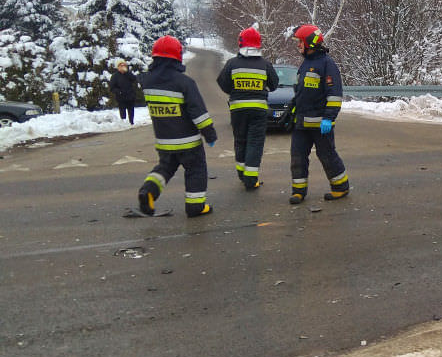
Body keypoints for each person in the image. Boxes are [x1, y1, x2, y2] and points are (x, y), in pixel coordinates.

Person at [137, 36, 217, 217]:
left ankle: (148, 190)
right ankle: (195, 206)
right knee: (196, 171)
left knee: (164, 169)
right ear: (177, 57)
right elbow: (198, 112)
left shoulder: (147, 83)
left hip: (164, 142)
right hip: (188, 142)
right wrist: (209, 134)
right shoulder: (184, 83)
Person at [287, 24, 349, 204]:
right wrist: (290, 112)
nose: (298, 45)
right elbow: (300, 92)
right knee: (297, 156)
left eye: (300, 42)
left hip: (321, 123)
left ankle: (341, 187)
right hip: (301, 123)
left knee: (327, 155)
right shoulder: (305, 63)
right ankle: (298, 191)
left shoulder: (327, 64)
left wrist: (329, 118)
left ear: (310, 42)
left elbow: (335, 95)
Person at [216, 25, 279, 190]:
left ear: (240, 44)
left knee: (240, 141)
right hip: (258, 110)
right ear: (258, 45)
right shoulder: (265, 64)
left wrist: (236, 92)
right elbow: (274, 85)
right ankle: (251, 180)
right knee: (255, 143)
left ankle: (242, 174)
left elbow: (222, 83)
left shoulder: (232, 63)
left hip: (237, 110)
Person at [108, 59, 139, 125]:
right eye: (120, 65)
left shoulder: (128, 74)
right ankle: (124, 122)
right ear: (118, 67)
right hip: (121, 97)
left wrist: (127, 73)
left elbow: (134, 79)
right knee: (122, 110)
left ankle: (131, 122)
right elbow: (112, 87)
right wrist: (118, 91)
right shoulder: (115, 76)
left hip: (130, 96)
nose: (122, 67)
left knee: (131, 110)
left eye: (123, 65)